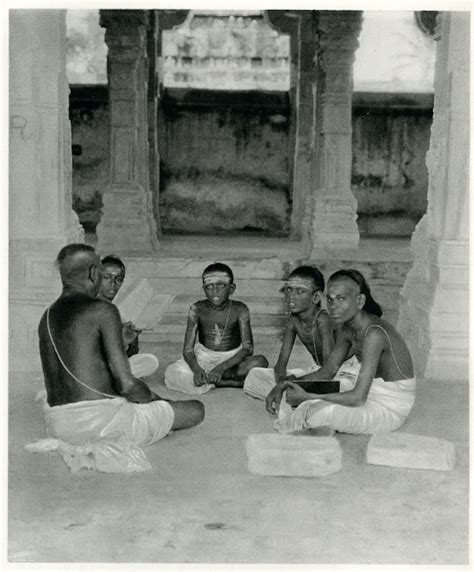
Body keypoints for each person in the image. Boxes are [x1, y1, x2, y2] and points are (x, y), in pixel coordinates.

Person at [31, 244, 204, 473]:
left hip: (57, 424)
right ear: (94, 273)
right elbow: (128, 385)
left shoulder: (48, 314)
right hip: (100, 422)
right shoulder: (103, 310)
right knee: (196, 410)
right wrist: (158, 402)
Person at [269, 269, 416, 435]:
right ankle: (315, 424)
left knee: (316, 410)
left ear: (360, 301)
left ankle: (312, 425)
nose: (333, 306)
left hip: (387, 405)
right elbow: (326, 372)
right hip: (362, 390)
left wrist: (308, 396)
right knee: (293, 396)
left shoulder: (374, 334)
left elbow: (358, 398)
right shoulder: (347, 328)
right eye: (330, 300)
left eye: (341, 298)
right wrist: (282, 385)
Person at [164, 262, 268, 394]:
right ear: (204, 288)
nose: (215, 291)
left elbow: (248, 349)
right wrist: (196, 369)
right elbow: (188, 350)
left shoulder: (240, 309)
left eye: (222, 285)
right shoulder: (197, 308)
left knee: (260, 362)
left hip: (232, 359)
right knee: (171, 373)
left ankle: (211, 379)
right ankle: (229, 382)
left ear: (232, 288)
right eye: (209, 286)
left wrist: (221, 368)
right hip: (203, 358)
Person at [244, 265, 334, 400]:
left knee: (320, 389)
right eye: (289, 290)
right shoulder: (293, 320)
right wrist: (281, 384)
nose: (292, 296)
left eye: (300, 291)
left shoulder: (323, 320)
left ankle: (294, 397)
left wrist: (288, 383)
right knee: (254, 376)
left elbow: (329, 372)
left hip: (337, 374)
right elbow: (281, 363)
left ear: (315, 297)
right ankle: (291, 397)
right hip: (316, 372)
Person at [99, 254, 157, 379]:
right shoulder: (89, 307)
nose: (113, 283)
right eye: (106, 277)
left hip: (114, 366)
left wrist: (130, 338)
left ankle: (114, 380)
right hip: (94, 366)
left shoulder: (124, 307)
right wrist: (122, 341)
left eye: (118, 279)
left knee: (151, 361)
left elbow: (132, 354)